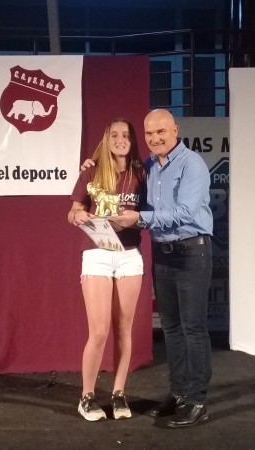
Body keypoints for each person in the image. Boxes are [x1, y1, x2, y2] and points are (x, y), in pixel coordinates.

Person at [103, 109, 214, 428]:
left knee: (193, 328)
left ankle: (197, 401)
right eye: (149, 133)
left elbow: (184, 212)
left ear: (175, 130)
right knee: (172, 328)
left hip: (192, 251)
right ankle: (179, 393)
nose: (154, 138)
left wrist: (139, 218)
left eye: (161, 132)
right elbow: (121, 178)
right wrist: (92, 168)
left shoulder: (192, 164)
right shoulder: (149, 166)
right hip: (163, 254)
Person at [68, 118, 147, 421]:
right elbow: (73, 211)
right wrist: (78, 216)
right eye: (114, 135)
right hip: (97, 253)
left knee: (124, 329)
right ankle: (87, 397)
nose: (120, 140)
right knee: (99, 330)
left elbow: (149, 211)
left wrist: (136, 217)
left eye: (125, 135)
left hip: (128, 255)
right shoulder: (91, 171)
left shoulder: (141, 173)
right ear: (106, 139)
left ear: (132, 140)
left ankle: (119, 393)